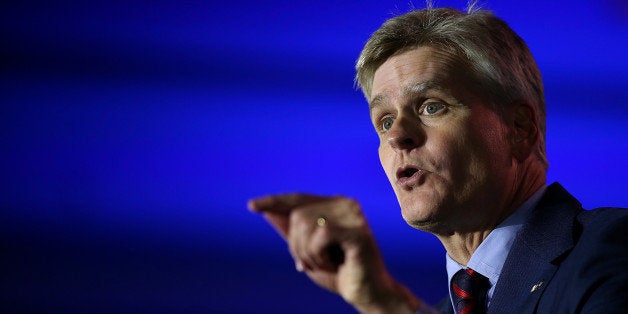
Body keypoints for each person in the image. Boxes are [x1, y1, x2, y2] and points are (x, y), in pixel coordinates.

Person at [248, 5, 628, 314]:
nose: (397, 135)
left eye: (432, 106)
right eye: (384, 120)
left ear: (519, 128)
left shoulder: (612, 250)